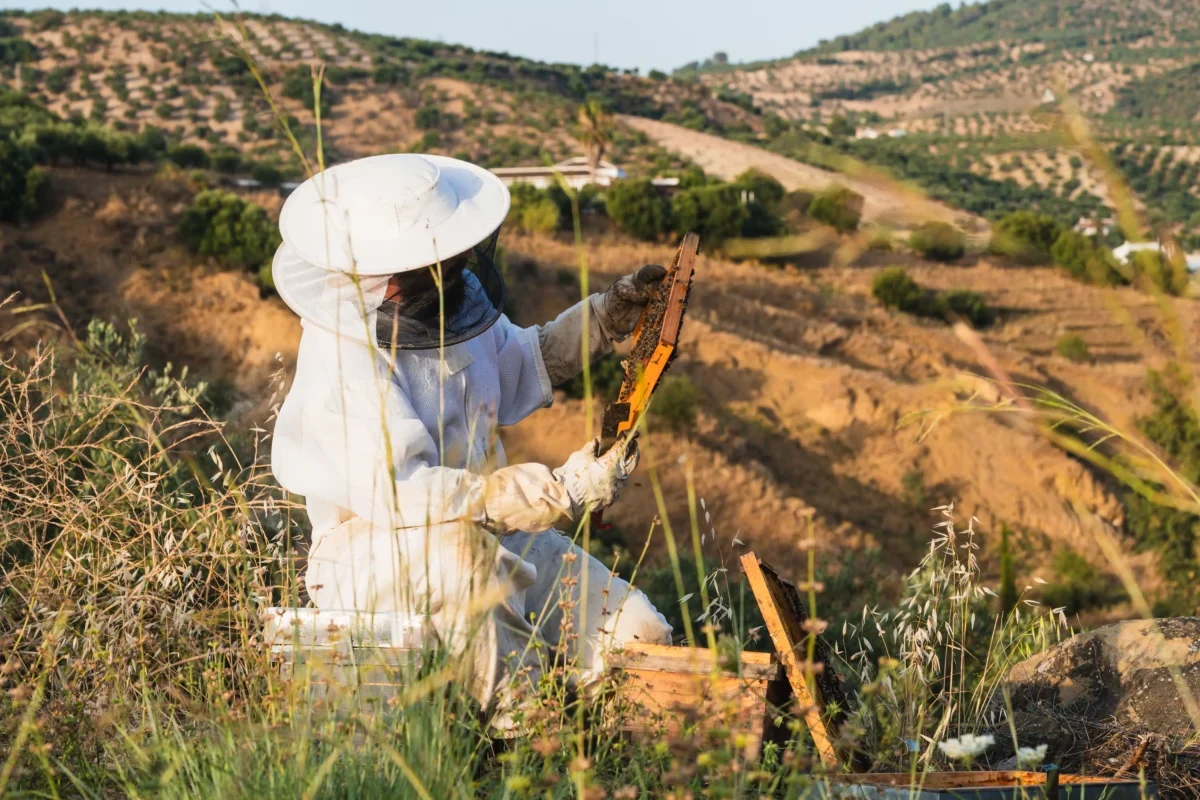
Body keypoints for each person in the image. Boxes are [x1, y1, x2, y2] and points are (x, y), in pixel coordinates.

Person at [269, 153, 673, 731]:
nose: (455, 268)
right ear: (388, 271)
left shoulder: (448, 304)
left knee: (641, 639)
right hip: (373, 548)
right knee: (466, 560)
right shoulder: (342, 353)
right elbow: (405, 493)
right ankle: (532, 744)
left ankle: (628, 751)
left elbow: (522, 360)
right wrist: (558, 492)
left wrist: (605, 318)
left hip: (490, 526)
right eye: (437, 262)